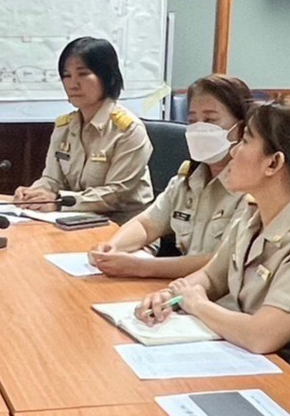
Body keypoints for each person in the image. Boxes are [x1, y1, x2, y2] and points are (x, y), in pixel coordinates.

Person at [136, 98, 290, 404]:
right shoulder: (253, 212)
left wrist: (197, 305)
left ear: (273, 163)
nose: (234, 150)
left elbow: (262, 335)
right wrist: (172, 296)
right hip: (260, 369)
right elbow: (212, 276)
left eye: (246, 140)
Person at [88, 74, 256, 281]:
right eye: (192, 120)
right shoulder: (188, 178)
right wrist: (113, 246)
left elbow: (219, 262)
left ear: (240, 128)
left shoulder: (251, 188)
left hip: (218, 298)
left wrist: (144, 267)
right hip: (181, 290)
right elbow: (147, 224)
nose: (199, 128)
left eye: (211, 120)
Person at [14, 35, 153, 220]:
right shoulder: (64, 127)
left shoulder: (129, 130)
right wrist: (33, 194)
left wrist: (57, 201)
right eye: (67, 75)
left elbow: (116, 195)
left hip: (124, 227)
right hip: (72, 220)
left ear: (106, 76)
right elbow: (52, 179)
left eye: (83, 73)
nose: (73, 83)